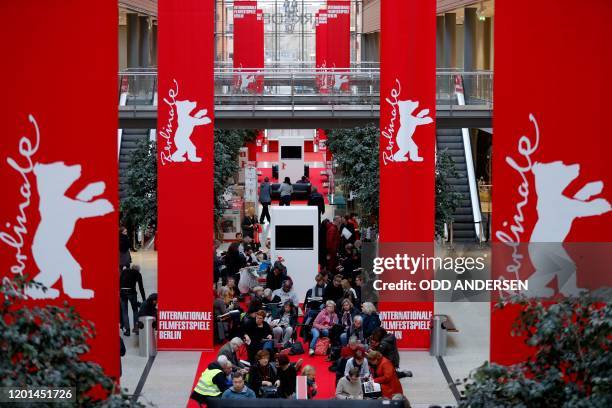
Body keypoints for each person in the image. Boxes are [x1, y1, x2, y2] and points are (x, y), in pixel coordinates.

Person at [120, 265, 146, 336]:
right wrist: (144, 300)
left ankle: (127, 331)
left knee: (124, 312)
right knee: (135, 310)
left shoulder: (124, 271)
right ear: (138, 270)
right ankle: (136, 328)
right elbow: (141, 287)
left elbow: (119, 282)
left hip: (122, 293)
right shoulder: (137, 274)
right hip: (132, 292)